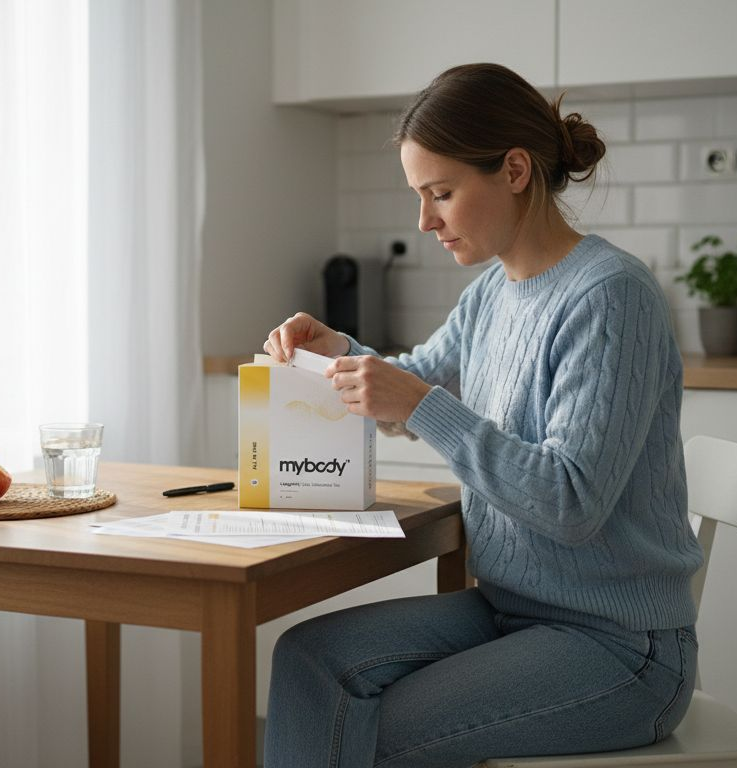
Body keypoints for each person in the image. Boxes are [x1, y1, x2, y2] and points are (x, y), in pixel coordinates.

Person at [259, 63, 704, 768]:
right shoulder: (492, 293)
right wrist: (339, 350)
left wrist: (421, 405)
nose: (424, 220)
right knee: (310, 661)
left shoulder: (611, 296)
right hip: (512, 612)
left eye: (441, 193)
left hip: (623, 649)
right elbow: (416, 379)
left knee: (365, 730)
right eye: (420, 196)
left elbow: (571, 502)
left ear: (515, 170)